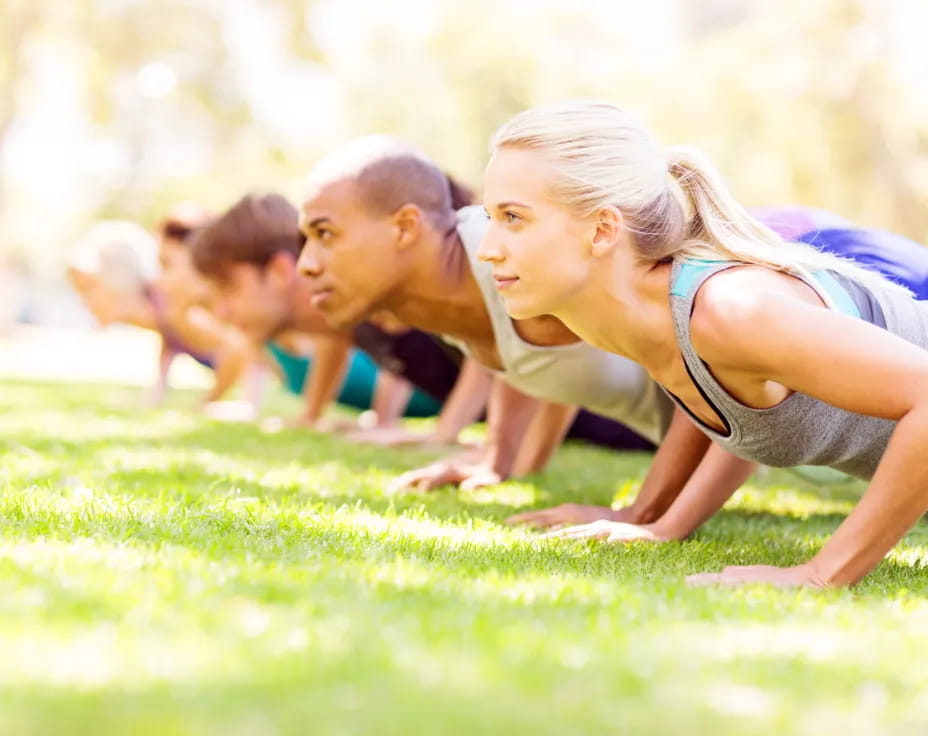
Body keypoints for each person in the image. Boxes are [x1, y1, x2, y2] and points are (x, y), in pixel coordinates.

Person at [480, 100, 928, 588]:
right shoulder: (635, 317)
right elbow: (737, 403)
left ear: (603, 230)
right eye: (490, 217)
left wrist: (823, 574)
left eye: (514, 218)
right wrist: (655, 519)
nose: (487, 247)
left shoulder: (733, 310)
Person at [296, 135, 674, 494]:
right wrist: (500, 460)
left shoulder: (505, 254)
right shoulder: (457, 287)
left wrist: (649, 513)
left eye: (325, 233)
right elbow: (531, 352)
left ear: (405, 227)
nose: (305, 265)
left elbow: (702, 358)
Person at [189, 192, 470, 432]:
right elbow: (334, 337)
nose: (222, 311)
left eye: (230, 287)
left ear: (278, 271)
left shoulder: (366, 289)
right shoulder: (336, 318)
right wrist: (311, 415)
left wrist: (447, 433)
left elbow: (487, 327)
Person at [68, 217, 254, 407]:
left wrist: (207, 403)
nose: (83, 301)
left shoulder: (173, 308)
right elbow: (168, 344)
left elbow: (236, 350)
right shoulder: (161, 315)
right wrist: (156, 396)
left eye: (88, 289)